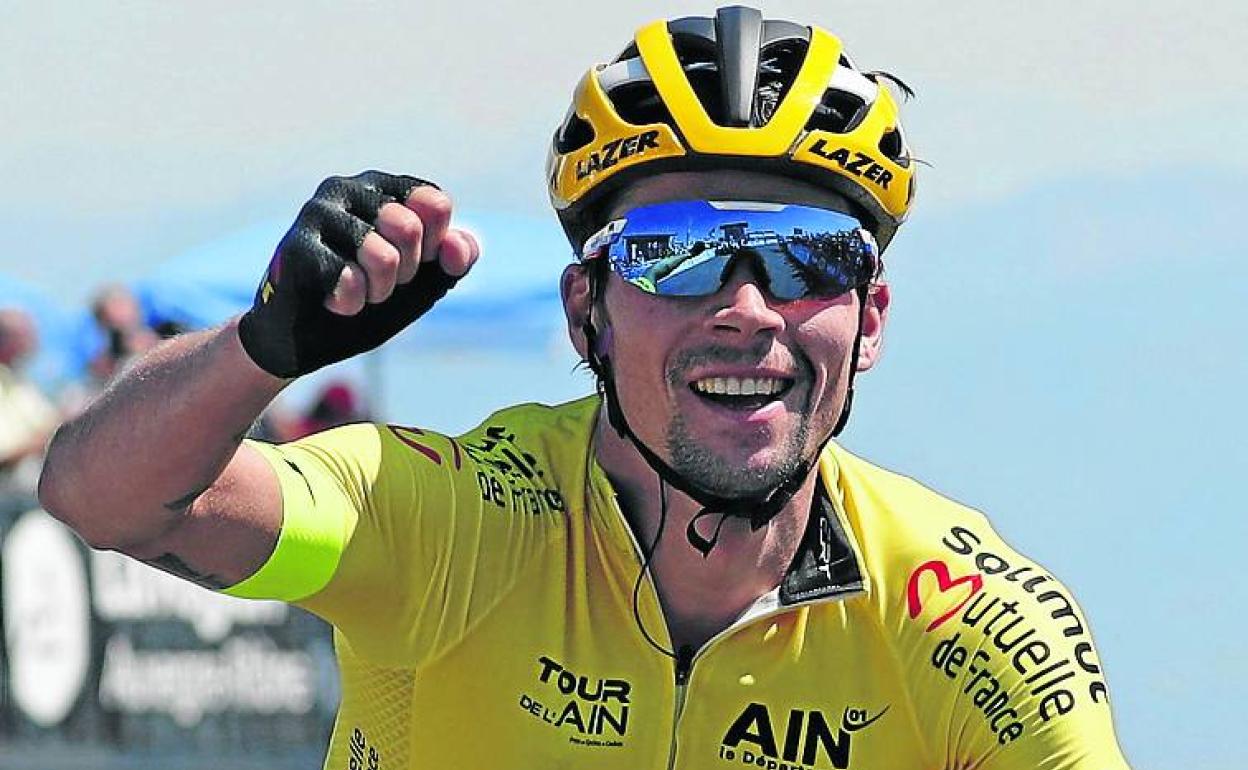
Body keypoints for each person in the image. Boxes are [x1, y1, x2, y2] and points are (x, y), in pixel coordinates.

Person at [39, 7, 1131, 769]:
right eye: (674, 253)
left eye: (808, 257)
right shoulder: (456, 526)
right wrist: (259, 350)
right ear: (586, 314)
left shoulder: (970, 620)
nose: (748, 307)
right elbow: (99, 498)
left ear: (871, 318)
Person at [0, 308, 60, 508]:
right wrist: (43, 440)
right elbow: (5, 456)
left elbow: (51, 423)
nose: (34, 341)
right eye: (26, 335)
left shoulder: (22, 381)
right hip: (10, 497)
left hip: (29, 492)